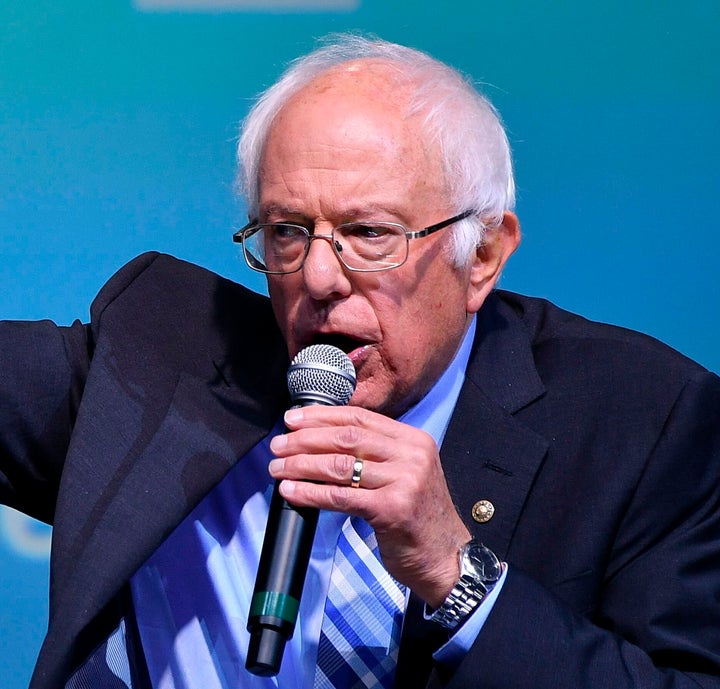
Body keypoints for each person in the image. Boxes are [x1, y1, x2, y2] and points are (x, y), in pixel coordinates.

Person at [2, 34, 719, 689]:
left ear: (484, 255)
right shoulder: (158, 356)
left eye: (368, 232)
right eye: (287, 231)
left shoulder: (646, 421)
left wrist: (456, 572)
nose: (317, 277)